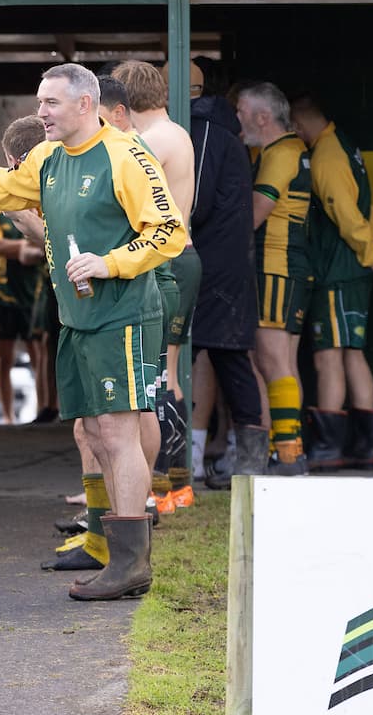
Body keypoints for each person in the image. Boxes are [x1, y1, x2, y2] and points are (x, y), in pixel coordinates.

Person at [0, 63, 186, 600]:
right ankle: (110, 551)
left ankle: (131, 563)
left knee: (118, 431)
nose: (41, 113)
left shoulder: (127, 155)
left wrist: (111, 263)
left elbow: (169, 230)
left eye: (51, 104)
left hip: (122, 313)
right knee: (94, 433)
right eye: (39, 103)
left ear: (86, 105)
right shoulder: (47, 157)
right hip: (75, 317)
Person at [290, 94, 373, 470]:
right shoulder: (346, 146)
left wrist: (369, 251)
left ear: (300, 126)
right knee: (353, 353)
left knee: (328, 357)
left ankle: (327, 448)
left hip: (336, 272)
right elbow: (369, 208)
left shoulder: (325, 157)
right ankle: (364, 448)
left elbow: (345, 212)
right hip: (352, 269)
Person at [113, 60, 200, 508]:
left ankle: (162, 483)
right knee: (168, 371)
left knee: (156, 374)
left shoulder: (150, 141)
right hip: (181, 255)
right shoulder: (176, 133)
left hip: (167, 261)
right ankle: (174, 482)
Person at [183, 71, 269, 489]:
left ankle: (177, 466)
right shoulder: (220, 131)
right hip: (226, 264)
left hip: (209, 266)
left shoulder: (203, 130)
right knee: (230, 360)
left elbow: (194, 201)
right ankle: (247, 463)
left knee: (177, 357)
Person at [236, 82, 313, 475]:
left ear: (262, 117)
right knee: (282, 360)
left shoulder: (281, 153)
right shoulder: (289, 150)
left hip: (275, 264)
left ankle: (286, 453)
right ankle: (286, 447)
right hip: (288, 266)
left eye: (242, 111)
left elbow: (254, 214)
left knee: (271, 358)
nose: (238, 118)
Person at [0, 116, 47, 426]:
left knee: (39, 352)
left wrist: (39, 248)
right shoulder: (2, 194)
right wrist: (22, 250)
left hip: (35, 288)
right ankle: (9, 416)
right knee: (4, 359)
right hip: (4, 291)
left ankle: (44, 406)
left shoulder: (48, 189)